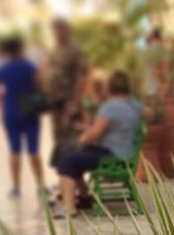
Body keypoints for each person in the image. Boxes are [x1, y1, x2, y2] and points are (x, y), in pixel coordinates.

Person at [53, 70, 143, 215]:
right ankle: (83, 198)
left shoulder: (110, 107)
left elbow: (93, 135)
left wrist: (83, 139)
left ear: (109, 87)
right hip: (126, 152)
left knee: (68, 161)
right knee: (74, 156)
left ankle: (68, 208)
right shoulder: (134, 104)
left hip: (112, 155)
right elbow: (150, 114)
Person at [0, 35, 45, 198]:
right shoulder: (29, 66)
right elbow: (40, 82)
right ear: (20, 48)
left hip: (10, 111)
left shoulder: (1, 69)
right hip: (29, 110)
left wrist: (2, 95)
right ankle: (40, 186)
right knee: (33, 150)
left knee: (14, 151)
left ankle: (16, 187)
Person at [43, 18, 88, 160]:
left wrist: (75, 103)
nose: (56, 34)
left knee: (71, 141)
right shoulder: (55, 49)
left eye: (58, 30)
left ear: (66, 30)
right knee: (59, 141)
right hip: (55, 101)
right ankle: (64, 178)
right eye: (54, 31)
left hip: (68, 101)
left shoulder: (75, 50)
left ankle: (74, 179)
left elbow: (82, 77)